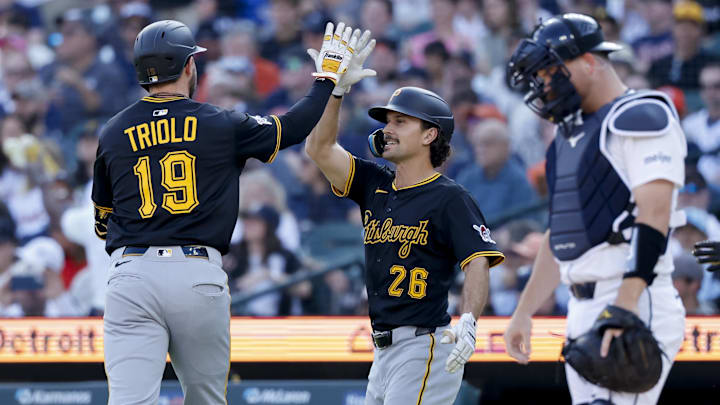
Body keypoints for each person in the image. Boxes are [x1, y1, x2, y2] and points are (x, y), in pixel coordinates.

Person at [92, 20, 359, 404]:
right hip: (195, 272)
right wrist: (326, 78)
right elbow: (294, 128)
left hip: (131, 274)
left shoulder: (113, 131)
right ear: (188, 67)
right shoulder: (218, 122)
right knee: (207, 399)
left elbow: (103, 220)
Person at [304, 31, 505, 405]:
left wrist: (469, 320)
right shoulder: (373, 182)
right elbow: (318, 148)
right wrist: (334, 91)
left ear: (430, 134)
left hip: (424, 343)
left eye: (400, 122)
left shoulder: (450, 197)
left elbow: (478, 261)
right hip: (382, 350)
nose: (387, 129)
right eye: (388, 121)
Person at [504, 13, 687, 405]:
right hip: (582, 307)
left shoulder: (640, 114)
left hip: (631, 297)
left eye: (551, 71)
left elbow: (653, 214)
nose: (545, 84)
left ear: (589, 62)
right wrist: (524, 311)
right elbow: (563, 235)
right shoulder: (566, 139)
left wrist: (625, 306)